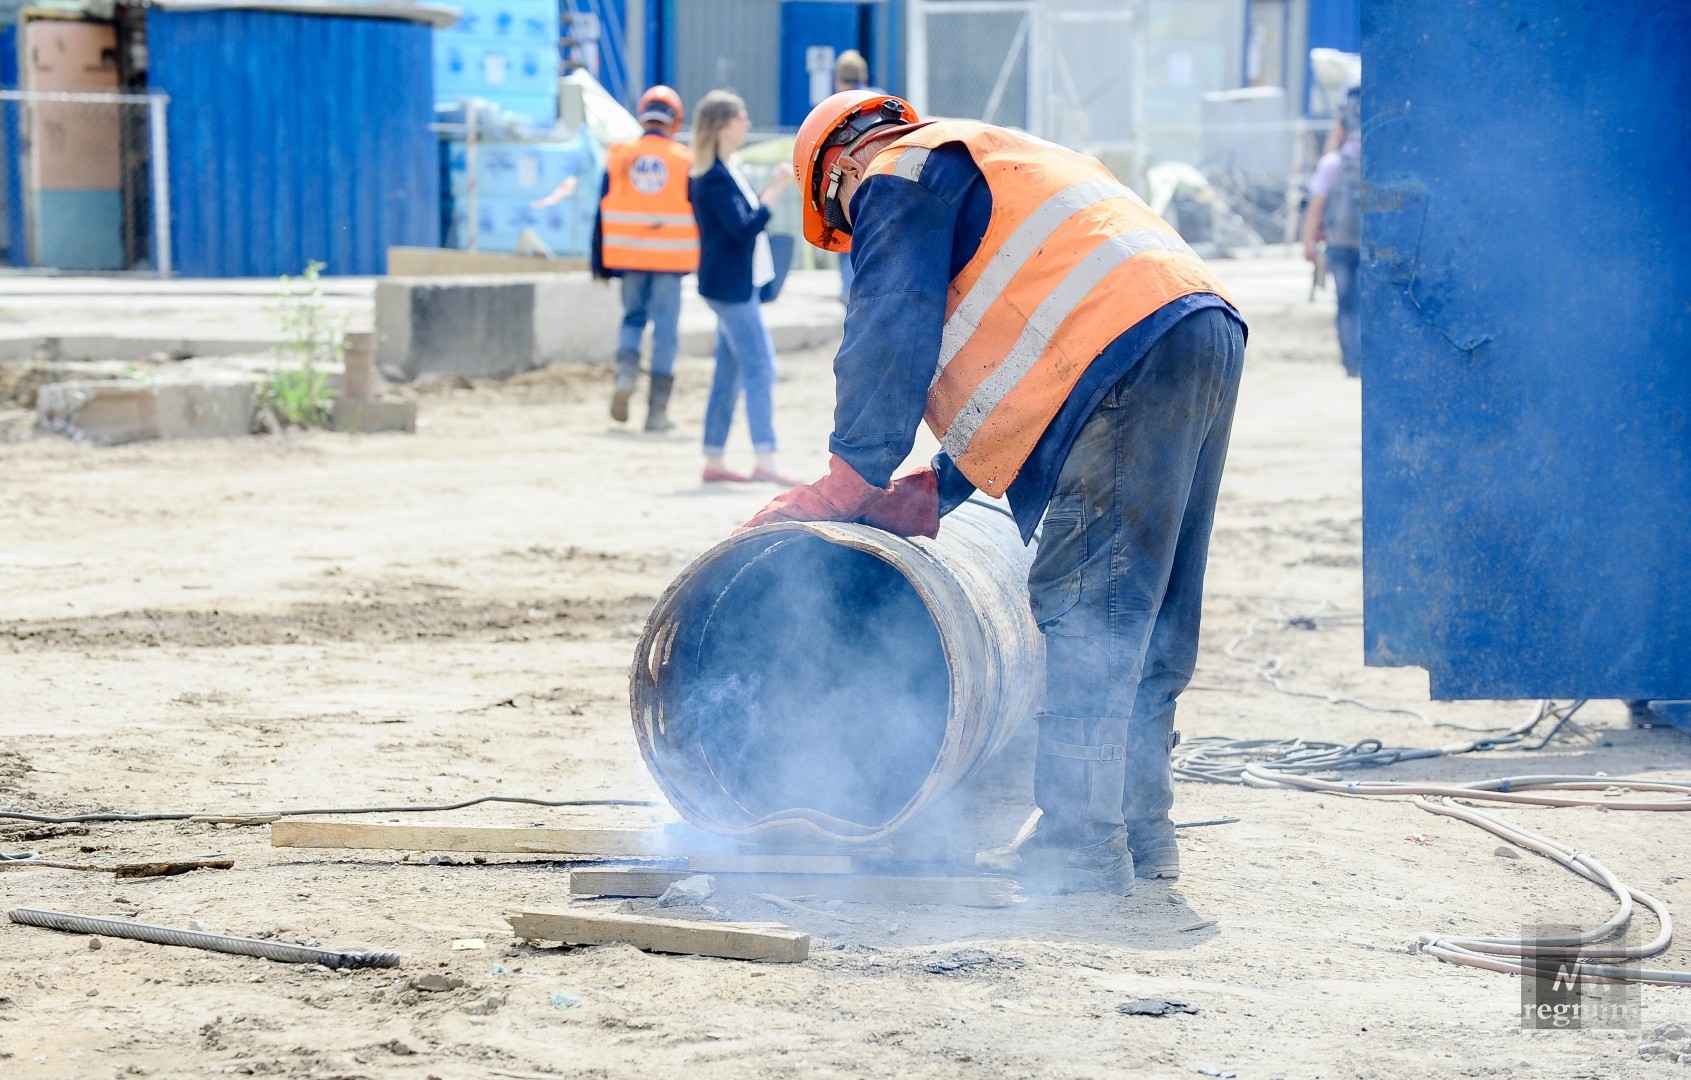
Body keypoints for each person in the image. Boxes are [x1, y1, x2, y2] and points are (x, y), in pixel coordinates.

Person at [742, 91, 1247, 895]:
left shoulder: (896, 172)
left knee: (1088, 607)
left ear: (834, 169)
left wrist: (852, 473)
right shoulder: (997, 161)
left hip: (1121, 349)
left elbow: (890, 324)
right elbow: (1028, 362)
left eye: (840, 220)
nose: (853, 233)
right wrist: (937, 489)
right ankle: (1142, 831)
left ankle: (1082, 846)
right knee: (1149, 610)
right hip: (1196, 328)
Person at [688, 90, 797, 485]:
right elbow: (743, 228)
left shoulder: (721, 170)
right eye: (741, 117)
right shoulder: (713, 177)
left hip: (731, 283)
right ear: (722, 125)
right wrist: (773, 189)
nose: (748, 123)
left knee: (728, 371)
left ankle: (714, 458)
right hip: (730, 287)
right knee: (761, 367)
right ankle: (765, 457)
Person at [591, 85, 698, 432]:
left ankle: (624, 379)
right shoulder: (684, 160)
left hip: (628, 258)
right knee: (665, 333)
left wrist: (599, 263)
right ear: (675, 120)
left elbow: (601, 210)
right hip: (670, 263)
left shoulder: (620, 155)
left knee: (632, 320)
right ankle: (656, 413)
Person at [1303, 86, 1361, 377]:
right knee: (1365, 303)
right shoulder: (1379, 161)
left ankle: (1350, 362)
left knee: (1345, 303)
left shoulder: (1333, 163)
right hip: (1372, 246)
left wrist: (1308, 242)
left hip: (1340, 243)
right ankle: (1364, 359)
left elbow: (1316, 206)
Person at [831, 50, 873, 303]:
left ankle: (850, 295)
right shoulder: (879, 99)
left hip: (847, 182)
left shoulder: (836, 106)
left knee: (844, 235)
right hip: (879, 178)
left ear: (837, 78)